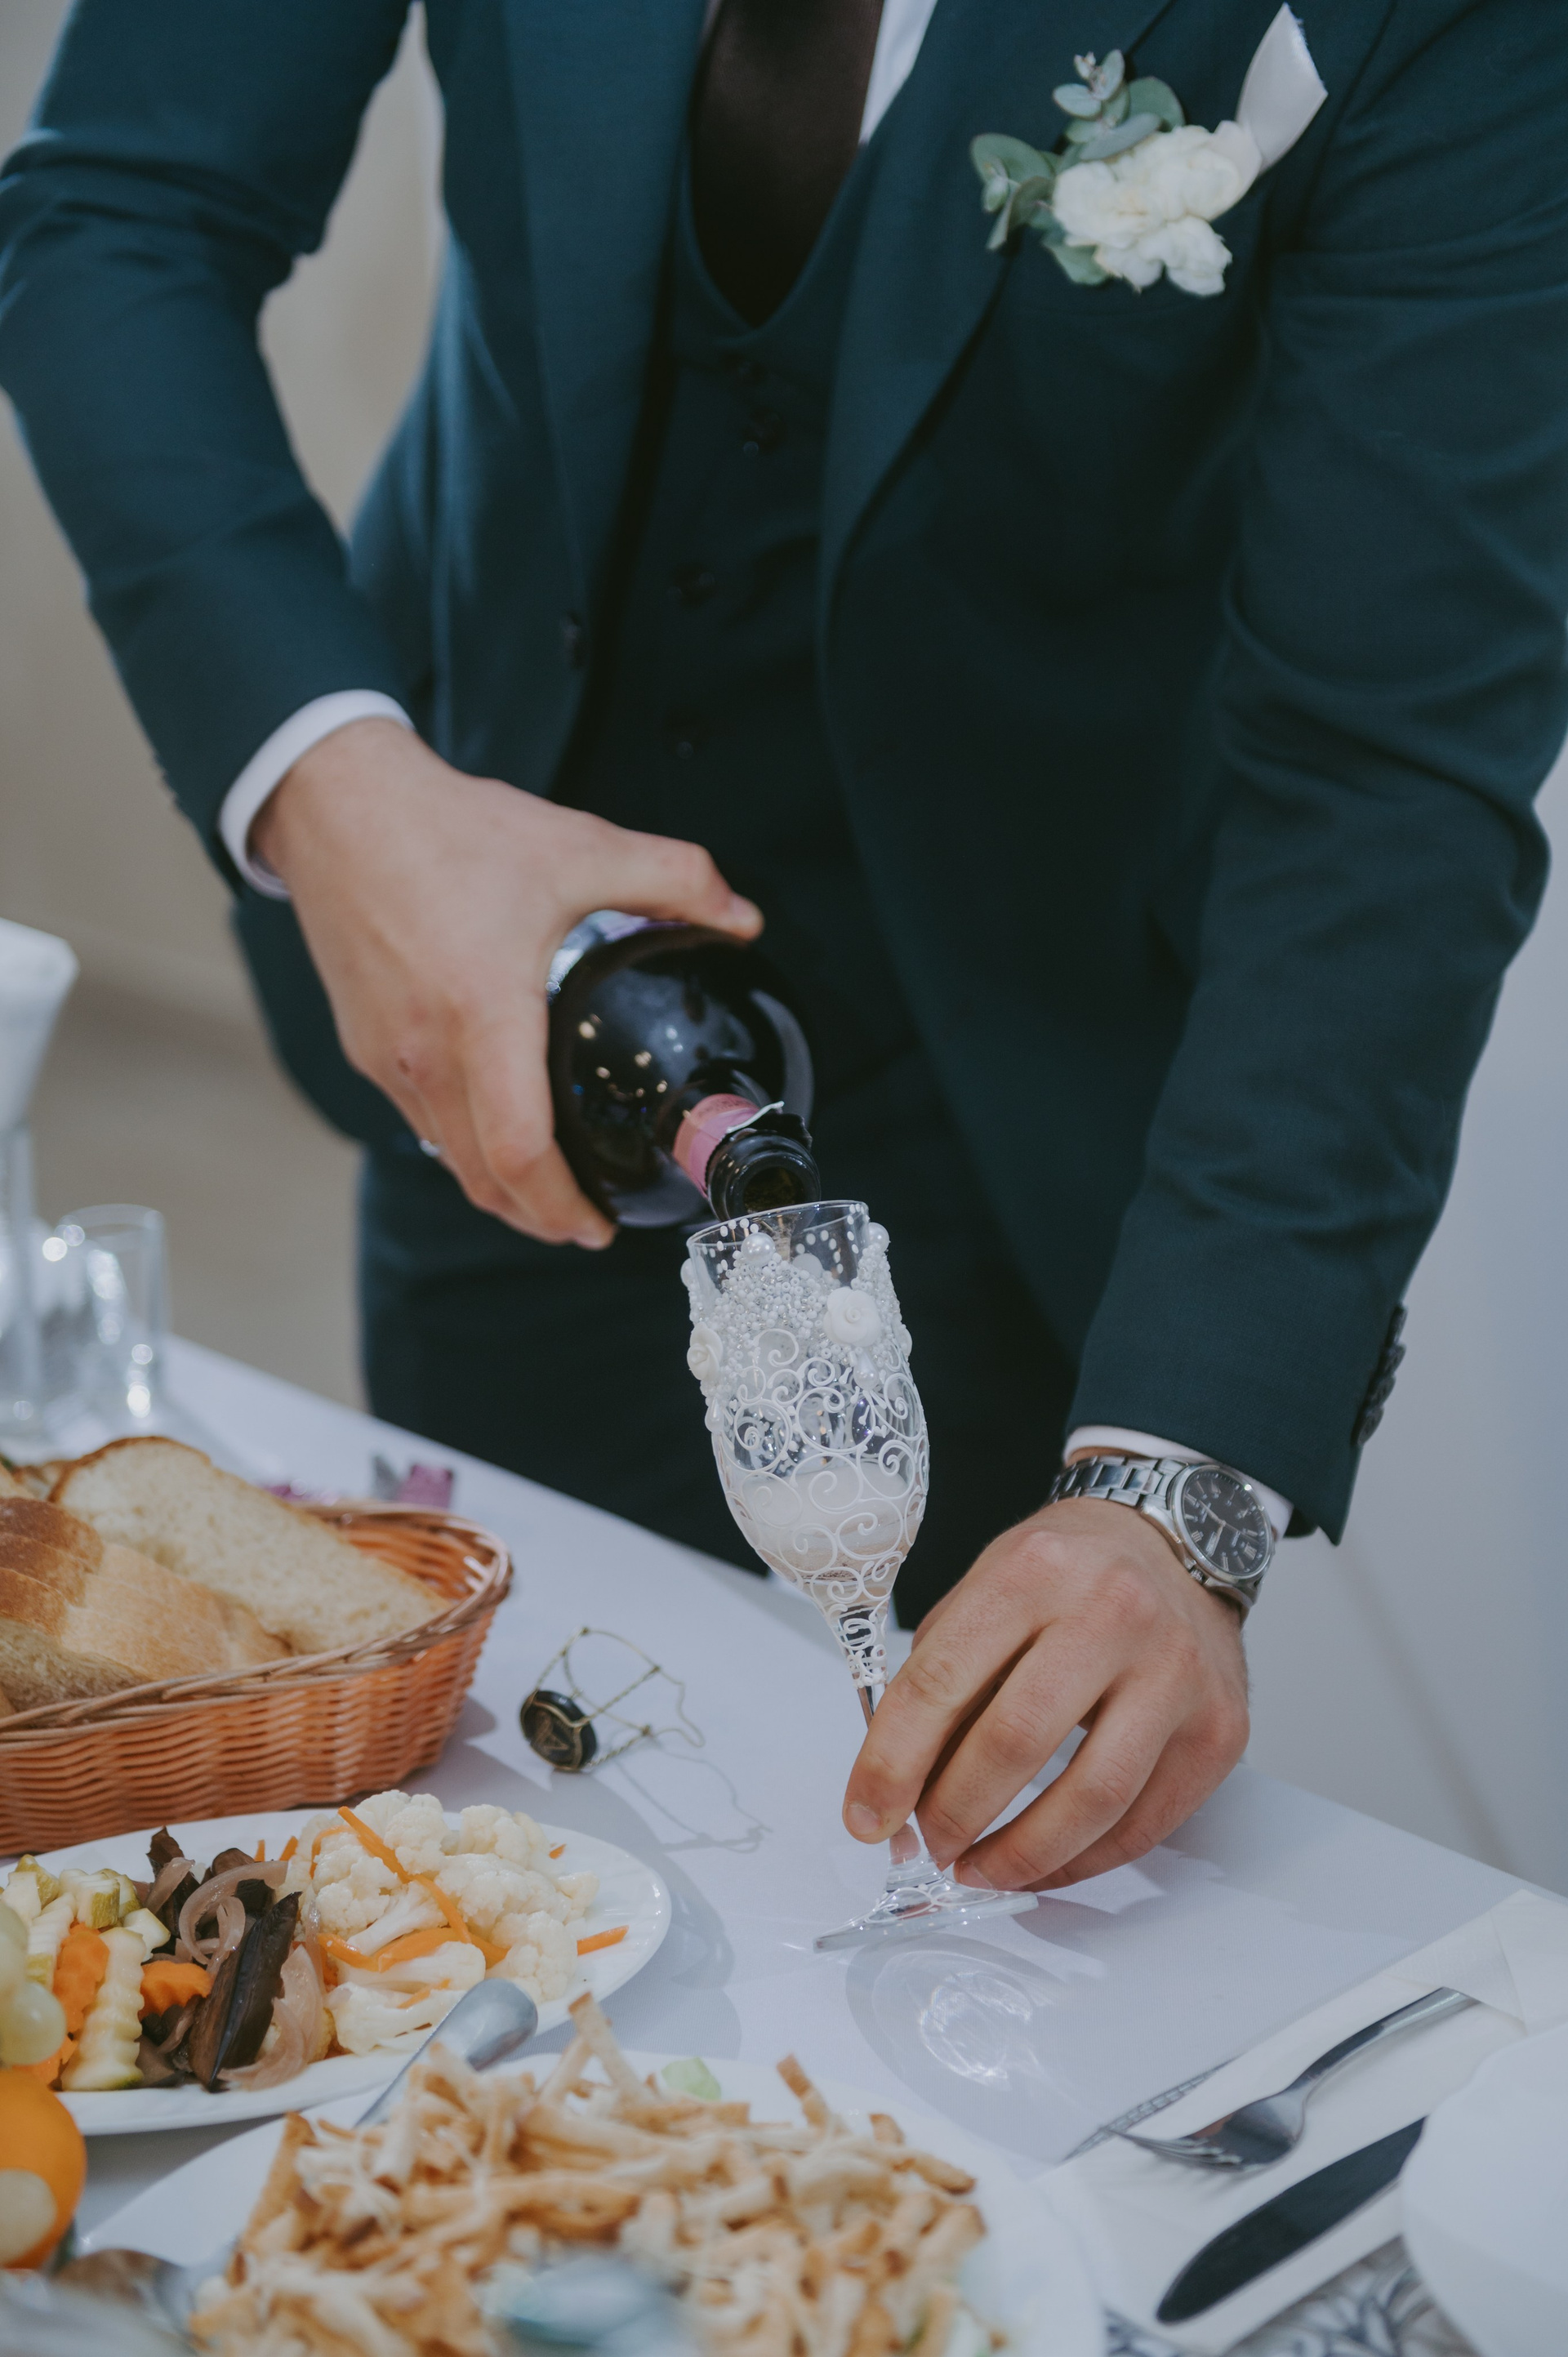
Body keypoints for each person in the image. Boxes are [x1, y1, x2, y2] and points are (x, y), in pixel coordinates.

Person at [3, 0, 1566, 1899]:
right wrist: (345, 797)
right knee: (484, 1834)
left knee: (971, 1899)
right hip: (490, 953)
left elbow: (1384, 767)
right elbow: (123, 206)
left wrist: (1179, 1490)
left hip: (1020, 1082)